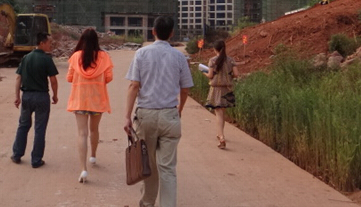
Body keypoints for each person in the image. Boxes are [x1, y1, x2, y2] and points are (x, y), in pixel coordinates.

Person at [124, 16, 194, 207]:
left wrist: (127, 117)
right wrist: (179, 109)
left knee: (148, 163)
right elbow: (185, 88)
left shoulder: (141, 54)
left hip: (146, 114)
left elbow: (134, 86)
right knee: (168, 168)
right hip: (169, 115)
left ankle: (147, 202)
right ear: (172, 33)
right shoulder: (179, 57)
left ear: (153, 31)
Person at [66, 28, 113, 183]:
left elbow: (69, 78)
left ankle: (83, 169)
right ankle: (93, 155)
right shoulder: (104, 57)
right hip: (97, 100)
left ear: (82, 40)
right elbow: (109, 78)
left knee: (82, 133)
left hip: (80, 100)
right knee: (94, 129)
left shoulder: (75, 57)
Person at [11, 32, 59, 168]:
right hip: (41, 97)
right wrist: (55, 95)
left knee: (23, 125)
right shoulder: (46, 59)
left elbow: (18, 78)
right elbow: (53, 80)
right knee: (40, 128)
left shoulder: (26, 58)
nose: (51, 45)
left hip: (27, 97)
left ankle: (17, 154)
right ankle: (36, 160)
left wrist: (17, 96)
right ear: (42, 43)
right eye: (49, 43)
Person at [202, 40, 240, 149]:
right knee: (222, 112)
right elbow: (236, 74)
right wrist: (228, 77)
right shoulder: (231, 60)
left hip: (216, 89)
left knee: (218, 113)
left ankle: (222, 137)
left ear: (215, 49)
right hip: (227, 89)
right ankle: (220, 134)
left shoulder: (213, 60)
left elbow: (210, 75)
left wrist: (204, 72)